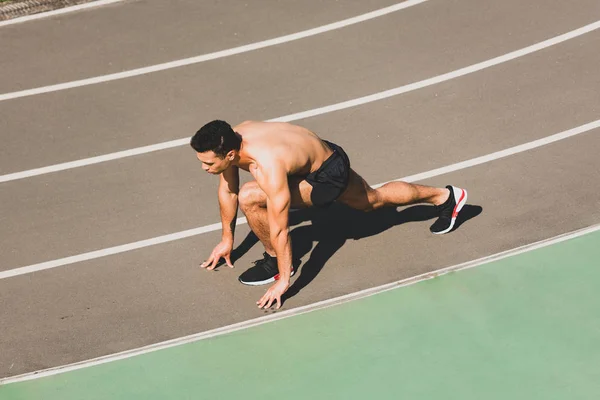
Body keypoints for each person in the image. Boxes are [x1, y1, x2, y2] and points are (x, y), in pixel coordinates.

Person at [190, 120, 467, 309]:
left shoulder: (267, 164)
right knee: (372, 198)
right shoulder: (234, 135)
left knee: (253, 197)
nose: (203, 167)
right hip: (320, 153)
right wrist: (227, 238)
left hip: (325, 174)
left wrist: (285, 281)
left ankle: (275, 264)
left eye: (208, 162)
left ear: (228, 155)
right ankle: (446, 196)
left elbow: (280, 227)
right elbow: (228, 190)